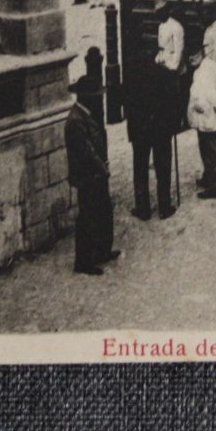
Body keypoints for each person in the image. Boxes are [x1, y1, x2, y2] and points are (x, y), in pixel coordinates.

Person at [66, 48, 118, 274]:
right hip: (87, 175)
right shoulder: (77, 120)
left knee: (103, 210)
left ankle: (102, 250)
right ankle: (84, 261)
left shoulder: (85, 115)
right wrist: (102, 168)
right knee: (87, 217)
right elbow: (87, 151)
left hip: (95, 173)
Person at [131, 4, 183, 221]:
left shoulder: (135, 77)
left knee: (140, 169)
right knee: (163, 167)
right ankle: (164, 206)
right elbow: (172, 103)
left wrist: (132, 133)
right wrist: (173, 124)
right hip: (160, 129)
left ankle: (143, 208)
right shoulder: (164, 78)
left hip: (142, 131)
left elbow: (130, 107)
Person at [186, 44, 216, 200]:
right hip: (203, 117)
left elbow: (214, 93)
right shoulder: (202, 68)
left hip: (210, 115)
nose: (190, 59)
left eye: (193, 56)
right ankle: (208, 177)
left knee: (211, 151)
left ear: (200, 53)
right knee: (204, 148)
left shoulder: (207, 70)